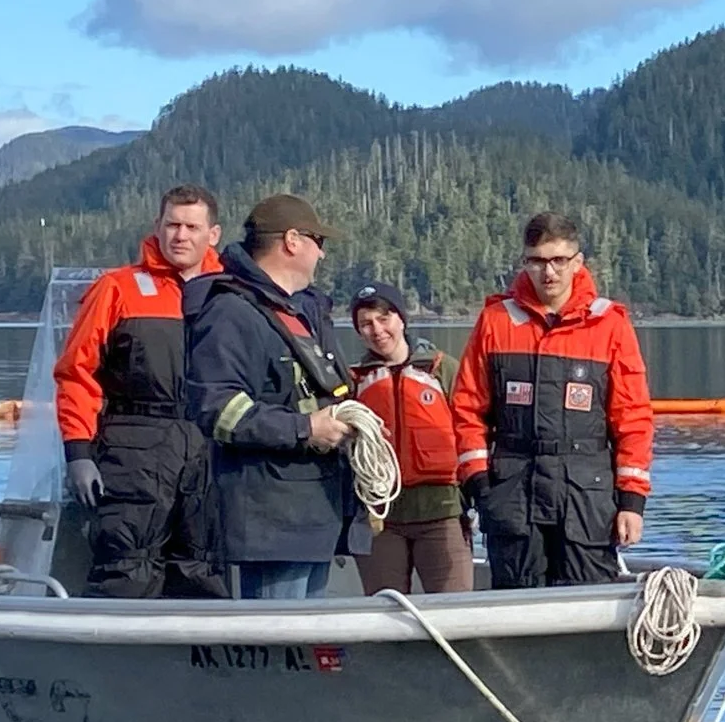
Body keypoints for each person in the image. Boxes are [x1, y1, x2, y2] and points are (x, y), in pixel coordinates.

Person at [181, 195, 368, 600]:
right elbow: (217, 409)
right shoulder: (231, 312)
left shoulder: (303, 311)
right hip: (270, 525)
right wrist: (305, 428)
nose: (322, 253)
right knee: (277, 649)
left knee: (304, 645)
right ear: (293, 241)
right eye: (319, 241)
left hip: (311, 516)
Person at [453, 212, 652, 589]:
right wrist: (480, 485)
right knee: (514, 606)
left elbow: (633, 419)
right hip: (513, 493)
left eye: (559, 260)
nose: (549, 272)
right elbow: (467, 409)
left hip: (585, 497)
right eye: (538, 261)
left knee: (590, 606)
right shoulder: (495, 321)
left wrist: (631, 504)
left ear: (578, 262)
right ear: (525, 262)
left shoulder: (609, 325)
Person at [53, 185, 228, 598]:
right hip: (133, 446)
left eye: (191, 227)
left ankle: (194, 662)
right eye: (172, 225)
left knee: (204, 568)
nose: (180, 236)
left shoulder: (230, 295)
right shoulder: (116, 288)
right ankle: (111, 658)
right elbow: (76, 373)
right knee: (126, 567)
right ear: (157, 227)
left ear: (213, 235)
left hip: (210, 446)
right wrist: (78, 453)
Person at [347, 282, 473, 596]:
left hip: (442, 512)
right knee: (384, 615)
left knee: (453, 611)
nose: (376, 330)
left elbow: (473, 432)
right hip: (381, 519)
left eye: (384, 318)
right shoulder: (353, 381)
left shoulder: (443, 370)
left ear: (401, 319)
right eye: (366, 323)